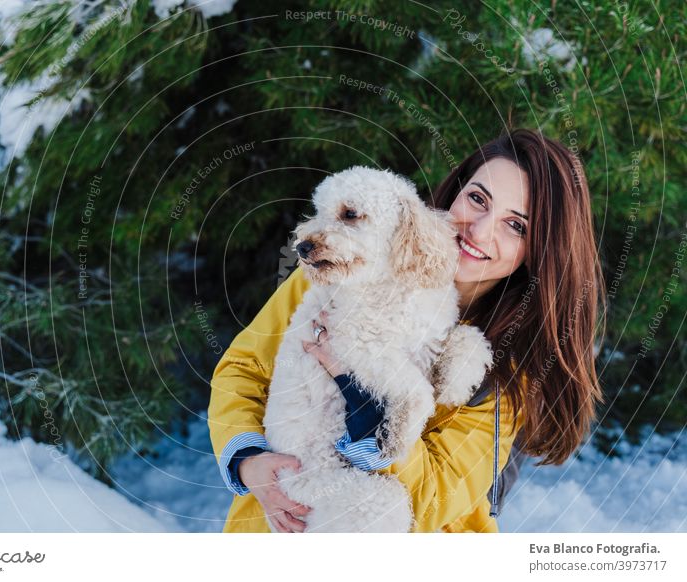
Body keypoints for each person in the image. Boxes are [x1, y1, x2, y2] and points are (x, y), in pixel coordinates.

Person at [207, 128, 605, 533]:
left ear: (539, 249)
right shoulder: (338, 271)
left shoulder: (507, 367)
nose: (480, 231)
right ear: (456, 191)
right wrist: (247, 459)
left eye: (515, 226)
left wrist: (376, 417)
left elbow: (435, 498)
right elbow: (245, 368)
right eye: (478, 199)